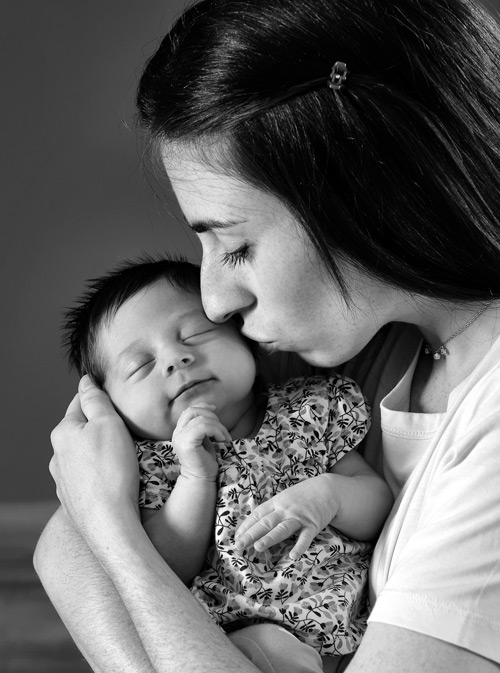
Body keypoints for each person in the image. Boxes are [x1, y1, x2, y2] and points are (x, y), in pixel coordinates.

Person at [34, 0, 500, 671]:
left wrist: (109, 530)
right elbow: (58, 542)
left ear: (367, 190)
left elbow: (88, 524)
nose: (215, 302)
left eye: (237, 246)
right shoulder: (376, 347)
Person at [61, 255, 392, 672]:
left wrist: (329, 495)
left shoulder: (307, 414)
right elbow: (162, 571)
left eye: (196, 334)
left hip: (338, 625)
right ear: (109, 406)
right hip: (222, 640)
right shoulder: (149, 468)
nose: (175, 359)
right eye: (141, 365)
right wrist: (196, 476)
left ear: (245, 338)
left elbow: (378, 504)